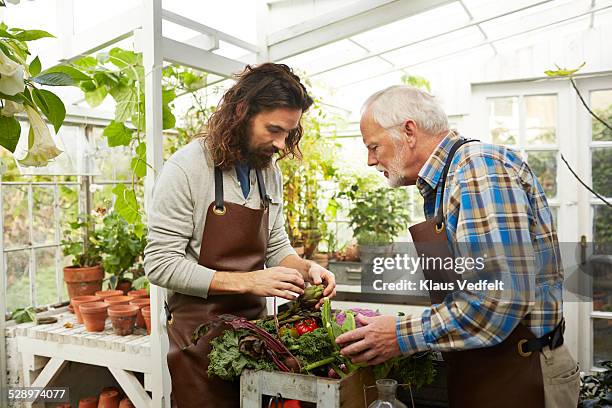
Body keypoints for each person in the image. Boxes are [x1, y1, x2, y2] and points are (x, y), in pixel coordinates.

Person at [335, 85, 579, 408]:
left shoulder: (478, 169)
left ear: (409, 131)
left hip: (523, 373)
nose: (369, 160)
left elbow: (498, 300)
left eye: (373, 146)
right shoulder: (447, 180)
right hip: (488, 373)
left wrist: (399, 335)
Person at [144, 63, 336, 408]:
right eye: (273, 130)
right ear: (241, 112)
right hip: (198, 341)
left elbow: (276, 244)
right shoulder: (186, 169)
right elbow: (160, 264)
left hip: (253, 338)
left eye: (288, 133)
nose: (280, 144)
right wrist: (249, 281)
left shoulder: (267, 170)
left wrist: (306, 269)